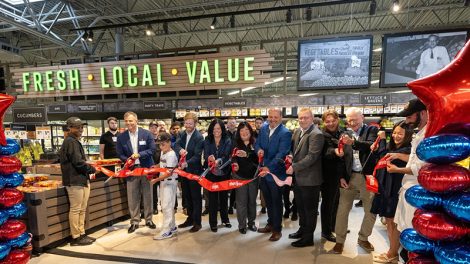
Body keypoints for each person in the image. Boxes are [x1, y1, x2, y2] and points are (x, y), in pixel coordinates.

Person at [332, 107, 378, 254]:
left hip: (367, 177)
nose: (352, 123)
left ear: (362, 117)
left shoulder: (371, 130)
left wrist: (353, 143)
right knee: (342, 210)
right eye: (349, 120)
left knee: (370, 210)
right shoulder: (343, 133)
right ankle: (339, 241)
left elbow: (371, 146)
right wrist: (340, 176)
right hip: (348, 177)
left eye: (355, 119)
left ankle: (363, 238)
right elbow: (340, 158)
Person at [371, 121, 413, 263]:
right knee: (389, 221)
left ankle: (392, 252)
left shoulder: (408, 149)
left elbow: (385, 155)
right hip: (387, 189)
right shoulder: (394, 147)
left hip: (397, 190)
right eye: (394, 133)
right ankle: (392, 251)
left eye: (400, 133)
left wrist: (382, 139)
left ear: (407, 135)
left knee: (395, 222)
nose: (396, 136)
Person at [392, 99, 428, 263]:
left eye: (409, 116)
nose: (406, 121)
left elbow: (420, 168)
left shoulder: (427, 135)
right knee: (405, 233)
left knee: (413, 236)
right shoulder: (418, 133)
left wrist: (397, 170)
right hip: (408, 190)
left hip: (417, 193)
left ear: (422, 113)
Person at [286, 108, 324, 247]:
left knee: (310, 210)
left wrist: (294, 167)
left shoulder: (316, 134)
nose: (302, 120)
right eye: (300, 118)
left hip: (310, 180)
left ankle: (308, 238)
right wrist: (290, 155)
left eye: (306, 118)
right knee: (301, 207)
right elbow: (294, 150)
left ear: (312, 118)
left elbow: (312, 157)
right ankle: (302, 230)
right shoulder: (297, 131)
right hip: (299, 179)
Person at [116, 111, 157, 234]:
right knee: (132, 196)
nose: (129, 123)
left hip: (146, 168)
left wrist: (139, 155)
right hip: (131, 170)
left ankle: (149, 219)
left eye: (131, 121)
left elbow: (152, 149)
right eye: (127, 121)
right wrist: (128, 160)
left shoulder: (147, 134)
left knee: (148, 194)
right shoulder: (121, 137)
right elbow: (120, 153)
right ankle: (134, 221)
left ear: (136, 121)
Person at [255, 108, 292, 242]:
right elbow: (257, 143)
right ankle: (270, 224)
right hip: (263, 174)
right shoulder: (264, 128)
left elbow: (282, 153)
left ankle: (277, 229)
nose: (272, 119)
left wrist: (268, 167)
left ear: (280, 118)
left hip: (276, 174)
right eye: (270, 117)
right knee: (268, 201)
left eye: (275, 117)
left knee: (276, 202)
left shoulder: (285, 133)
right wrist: (258, 150)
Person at [60, 117, 98, 246]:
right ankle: (76, 237)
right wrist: (92, 169)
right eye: (77, 127)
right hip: (74, 180)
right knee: (76, 209)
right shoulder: (70, 142)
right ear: (69, 128)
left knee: (82, 208)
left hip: (81, 179)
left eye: (81, 127)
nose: (80, 130)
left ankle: (81, 233)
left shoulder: (74, 141)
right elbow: (78, 162)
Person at [320, 109, 351, 243]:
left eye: (333, 121)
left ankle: (333, 226)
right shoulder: (322, 135)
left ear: (338, 120)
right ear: (323, 122)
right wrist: (334, 151)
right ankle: (325, 231)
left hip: (338, 174)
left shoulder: (341, 133)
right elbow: (324, 152)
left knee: (336, 201)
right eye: (328, 121)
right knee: (327, 203)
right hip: (327, 174)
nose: (331, 123)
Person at [175, 112, 204, 233]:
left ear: (195, 123)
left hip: (194, 171)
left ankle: (197, 222)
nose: (187, 125)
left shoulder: (199, 137)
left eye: (190, 123)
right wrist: (180, 149)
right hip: (183, 172)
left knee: (196, 197)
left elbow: (197, 156)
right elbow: (175, 145)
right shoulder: (181, 133)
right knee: (186, 196)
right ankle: (190, 218)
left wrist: (186, 163)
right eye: (186, 123)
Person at [203, 118, 233, 232]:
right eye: (214, 128)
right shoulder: (207, 139)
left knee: (224, 197)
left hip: (224, 172)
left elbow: (227, 155)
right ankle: (213, 223)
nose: (217, 131)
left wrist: (219, 160)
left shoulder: (227, 139)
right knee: (213, 198)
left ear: (222, 129)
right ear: (211, 129)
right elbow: (206, 154)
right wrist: (209, 158)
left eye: (219, 128)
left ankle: (225, 220)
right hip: (211, 173)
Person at [232, 121, 259, 234]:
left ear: (250, 131)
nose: (244, 133)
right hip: (240, 177)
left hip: (253, 177)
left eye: (246, 130)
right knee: (241, 202)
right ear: (239, 132)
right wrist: (235, 164)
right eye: (242, 130)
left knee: (252, 201)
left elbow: (258, 159)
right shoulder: (235, 144)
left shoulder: (256, 143)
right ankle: (242, 225)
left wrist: (248, 154)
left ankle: (251, 223)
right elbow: (232, 157)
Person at [152, 132, 179, 240]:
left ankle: (166, 230)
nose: (161, 147)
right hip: (164, 181)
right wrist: (156, 167)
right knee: (168, 205)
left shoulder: (171, 154)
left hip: (169, 182)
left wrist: (156, 180)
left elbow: (169, 172)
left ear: (169, 142)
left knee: (166, 206)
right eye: (159, 144)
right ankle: (172, 226)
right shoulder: (164, 152)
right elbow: (162, 164)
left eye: (163, 144)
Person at [254, 116, 267, 214]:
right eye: (256, 123)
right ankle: (252, 203)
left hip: (263, 163)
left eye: (260, 123)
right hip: (254, 163)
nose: (258, 124)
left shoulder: (266, 134)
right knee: (254, 185)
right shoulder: (252, 134)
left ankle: (264, 205)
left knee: (263, 186)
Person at [226, 116, 237, 215]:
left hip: (235, 162)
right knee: (225, 184)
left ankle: (231, 205)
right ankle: (224, 205)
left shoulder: (239, 134)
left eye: (233, 122)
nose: (232, 124)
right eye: (230, 123)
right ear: (227, 124)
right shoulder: (224, 134)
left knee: (234, 184)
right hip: (225, 162)